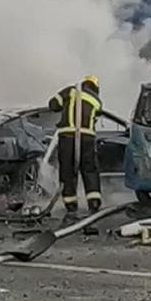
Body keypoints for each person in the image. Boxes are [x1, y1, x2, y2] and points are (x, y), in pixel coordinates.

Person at [47, 75, 102, 215]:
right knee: (90, 169)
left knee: (67, 170)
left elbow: (53, 104)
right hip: (88, 138)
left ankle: (71, 204)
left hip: (67, 136)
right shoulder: (96, 100)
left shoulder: (70, 91)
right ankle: (94, 203)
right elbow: (96, 116)